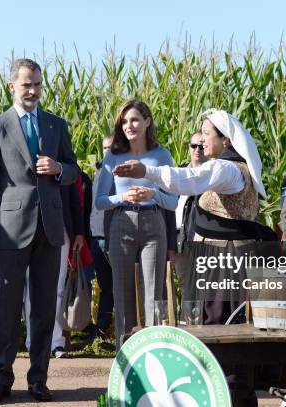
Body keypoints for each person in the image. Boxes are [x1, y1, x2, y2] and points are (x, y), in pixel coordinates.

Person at [114, 109, 273, 407]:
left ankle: (233, 398)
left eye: (207, 134)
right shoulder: (228, 167)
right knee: (222, 331)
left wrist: (147, 171)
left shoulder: (227, 169)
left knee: (224, 333)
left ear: (225, 140)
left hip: (226, 265)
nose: (201, 138)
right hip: (221, 262)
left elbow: (187, 179)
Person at [0, 58, 79, 403]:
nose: (32, 90)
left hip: (50, 229)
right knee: (6, 307)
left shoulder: (55, 125)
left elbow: (74, 171)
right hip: (9, 231)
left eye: (36, 84)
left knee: (44, 309)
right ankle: (2, 379)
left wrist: (58, 168)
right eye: (26, 85)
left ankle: (39, 380)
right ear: (12, 86)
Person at [94, 100, 178, 351]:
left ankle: (153, 351)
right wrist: (123, 197)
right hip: (121, 222)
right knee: (122, 292)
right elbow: (99, 202)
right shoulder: (113, 156)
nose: (129, 125)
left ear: (147, 122)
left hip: (154, 223)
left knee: (154, 293)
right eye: (125, 121)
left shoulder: (162, 155)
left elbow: (173, 202)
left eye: (134, 120)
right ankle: (125, 353)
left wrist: (153, 195)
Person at [23, 181, 85, 358]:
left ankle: (56, 342)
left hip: (60, 231)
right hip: (28, 231)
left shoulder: (61, 159)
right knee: (31, 291)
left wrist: (79, 233)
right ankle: (32, 341)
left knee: (57, 290)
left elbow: (74, 201)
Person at [84, 135, 114, 344]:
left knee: (118, 287)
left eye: (111, 147)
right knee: (104, 286)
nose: (107, 151)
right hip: (95, 238)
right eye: (104, 147)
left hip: (114, 238)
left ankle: (114, 328)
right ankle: (100, 330)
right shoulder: (97, 173)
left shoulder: (122, 172)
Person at [174, 132, 206, 298]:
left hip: (200, 237)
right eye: (194, 146)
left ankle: (200, 321)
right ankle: (188, 320)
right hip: (179, 236)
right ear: (189, 148)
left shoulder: (210, 175)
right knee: (184, 282)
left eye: (201, 146)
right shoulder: (179, 173)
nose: (197, 150)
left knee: (201, 282)